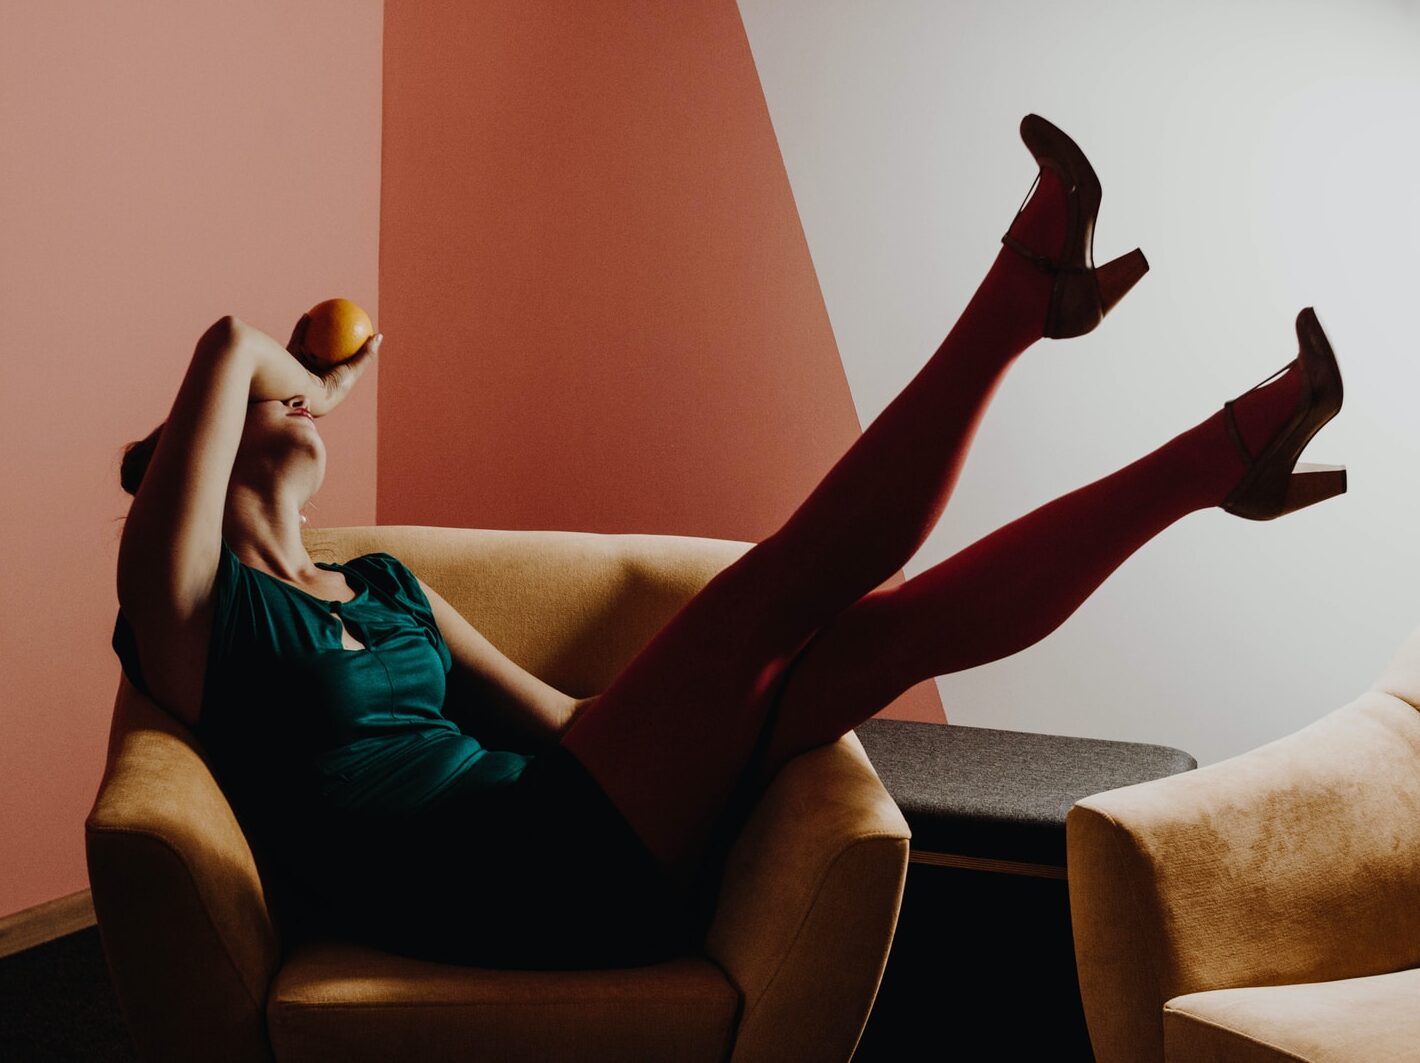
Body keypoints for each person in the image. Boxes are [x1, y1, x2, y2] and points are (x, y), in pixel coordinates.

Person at [111, 113, 1345, 971]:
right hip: (526, 878)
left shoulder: (384, 589)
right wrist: (310, 375)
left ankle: (1215, 459)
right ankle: (1027, 300)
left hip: (578, 805)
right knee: (790, 576)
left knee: (876, 633)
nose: (280, 392)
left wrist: (707, 711)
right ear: (191, 464)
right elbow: (228, 338)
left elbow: (562, 723)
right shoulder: (192, 620)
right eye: (251, 409)